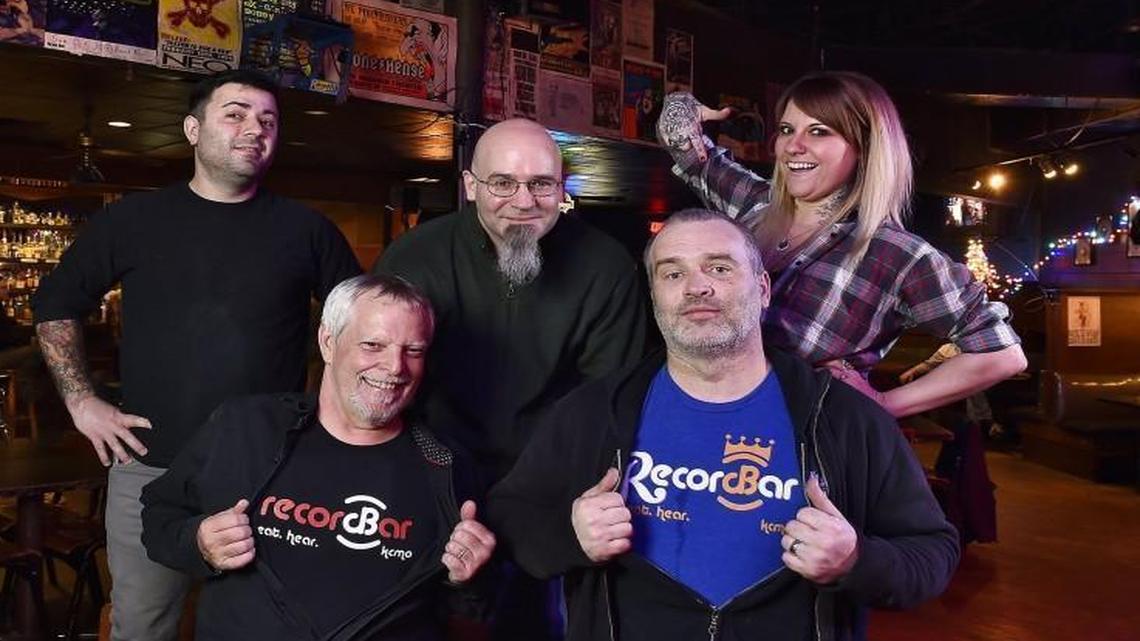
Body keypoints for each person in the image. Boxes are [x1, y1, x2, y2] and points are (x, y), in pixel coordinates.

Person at [486, 209, 960, 641]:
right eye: (673, 273)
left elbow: (932, 553)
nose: (696, 287)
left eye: (719, 267)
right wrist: (571, 537)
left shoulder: (844, 419)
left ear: (764, 289)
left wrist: (855, 561)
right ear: (654, 297)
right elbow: (511, 517)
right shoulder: (591, 413)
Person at [32, 69, 362, 641]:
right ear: (192, 128)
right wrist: (83, 402)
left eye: (267, 120)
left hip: (272, 472)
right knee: (143, 626)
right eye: (235, 114)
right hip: (150, 465)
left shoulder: (307, 231)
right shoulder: (132, 220)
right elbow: (56, 304)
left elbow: (358, 326)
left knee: (264, 627)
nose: (253, 129)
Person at [373, 117, 646, 639]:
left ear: (560, 189)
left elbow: (608, 400)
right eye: (503, 183)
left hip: (549, 482)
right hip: (432, 471)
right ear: (471, 186)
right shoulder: (416, 257)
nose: (523, 200)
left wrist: (556, 499)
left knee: (535, 625)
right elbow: (387, 379)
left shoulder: (605, 267)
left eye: (541, 184)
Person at [140, 274, 494, 640]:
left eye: (414, 351)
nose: (395, 367)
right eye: (373, 345)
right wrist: (197, 542)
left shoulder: (447, 466)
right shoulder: (245, 428)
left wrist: (468, 578)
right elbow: (158, 516)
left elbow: (472, 606)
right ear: (328, 342)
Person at [656, 71, 1026, 419]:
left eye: (818, 132)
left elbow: (1003, 353)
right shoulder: (755, 206)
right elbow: (687, 152)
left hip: (803, 448)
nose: (793, 147)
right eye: (787, 129)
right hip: (705, 419)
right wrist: (682, 104)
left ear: (863, 148)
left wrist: (883, 405)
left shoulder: (895, 254)